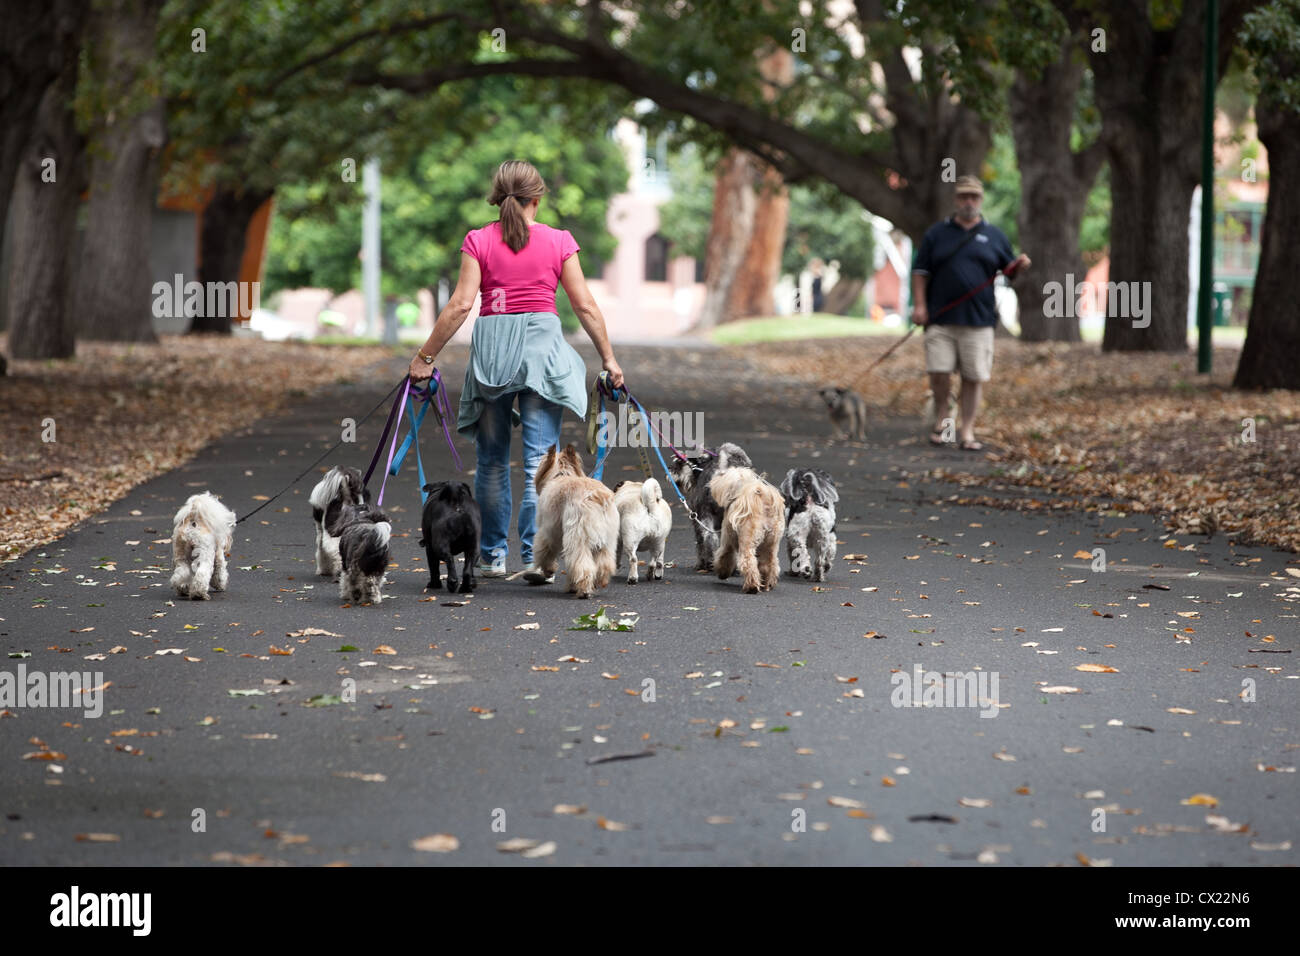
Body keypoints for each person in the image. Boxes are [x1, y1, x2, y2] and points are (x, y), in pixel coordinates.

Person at [408, 160, 624, 581]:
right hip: (542, 354)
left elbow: (460, 305)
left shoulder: (478, 240)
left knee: (490, 463)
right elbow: (583, 305)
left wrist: (426, 357)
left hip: (493, 356)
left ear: (497, 199)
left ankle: (490, 557)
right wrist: (608, 359)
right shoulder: (559, 241)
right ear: (536, 200)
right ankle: (533, 555)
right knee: (536, 466)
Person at [910, 175, 1030, 451]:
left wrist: (1019, 267)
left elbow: (1009, 273)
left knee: (973, 376)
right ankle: (943, 417)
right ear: (955, 200)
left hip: (979, 320)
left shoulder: (995, 236)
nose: (968, 202)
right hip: (940, 318)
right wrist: (920, 306)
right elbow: (920, 272)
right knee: (938, 371)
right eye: (963, 196)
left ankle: (967, 431)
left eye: (973, 197)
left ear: (980, 200)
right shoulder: (936, 234)